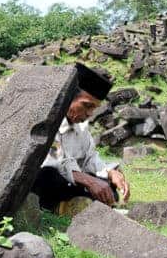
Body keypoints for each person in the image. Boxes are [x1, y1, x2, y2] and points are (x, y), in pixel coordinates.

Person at [31, 63, 130, 214]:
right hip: (49, 181)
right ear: (69, 98)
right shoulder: (46, 122)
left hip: (72, 182)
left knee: (108, 185)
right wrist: (90, 181)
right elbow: (54, 162)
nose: (90, 114)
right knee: (48, 176)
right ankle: (57, 206)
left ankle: (74, 205)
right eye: (87, 106)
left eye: (93, 108)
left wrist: (110, 172)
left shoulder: (81, 127)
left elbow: (89, 158)